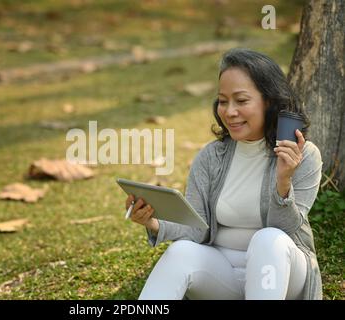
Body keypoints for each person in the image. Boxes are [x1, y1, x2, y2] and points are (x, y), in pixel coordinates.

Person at [125, 48, 323, 300]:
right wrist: (151, 222)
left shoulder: (304, 156)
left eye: (241, 101)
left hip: (282, 272)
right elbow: (197, 229)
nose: (229, 111)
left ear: (269, 101)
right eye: (222, 100)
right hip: (223, 274)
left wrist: (283, 180)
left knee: (268, 239)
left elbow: (287, 230)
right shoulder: (211, 157)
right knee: (181, 252)